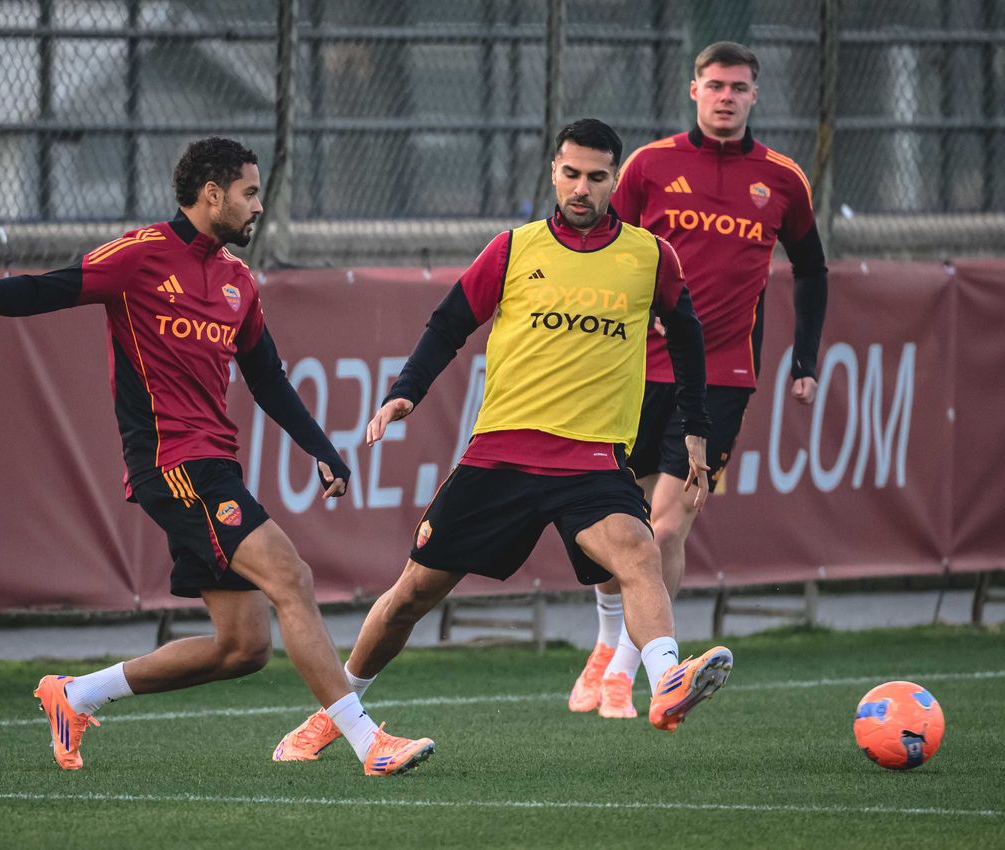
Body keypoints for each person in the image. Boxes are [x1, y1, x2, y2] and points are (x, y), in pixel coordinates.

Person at [0, 137, 434, 777]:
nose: (258, 206)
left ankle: (75, 695)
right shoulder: (141, 256)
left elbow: (268, 378)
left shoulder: (237, 279)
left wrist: (320, 448)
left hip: (211, 466)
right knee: (293, 579)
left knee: (243, 647)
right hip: (174, 464)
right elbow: (46, 291)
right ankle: (369, 744)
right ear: (212, 194)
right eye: (250, 193)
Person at [271, 118, 733, 763]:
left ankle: (665, 681)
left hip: (591, 460)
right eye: (571, 173)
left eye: (597, 177)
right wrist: (407, 389)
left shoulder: (650, 256)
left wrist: (696, 431)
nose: (582, 188)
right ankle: (331, 715)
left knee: (639, 549)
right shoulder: (514, 249)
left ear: (616, 180)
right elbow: (450, 322)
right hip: (501, 457)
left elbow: (687, 339)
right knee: (409, 598)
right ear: (553, 171)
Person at [567, 41, 829, 719]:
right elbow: (602, 243)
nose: (725, 97)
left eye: (738, 87)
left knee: (667, 526)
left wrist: (804, 361)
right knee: (607, 517)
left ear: (753, 96)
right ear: (693, 90)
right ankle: (605, 639)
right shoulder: (649, 166)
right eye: (714, 85)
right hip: (632, 367)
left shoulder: (782, 178)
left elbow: (811, 267)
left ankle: (627, 671)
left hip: (720, 376)